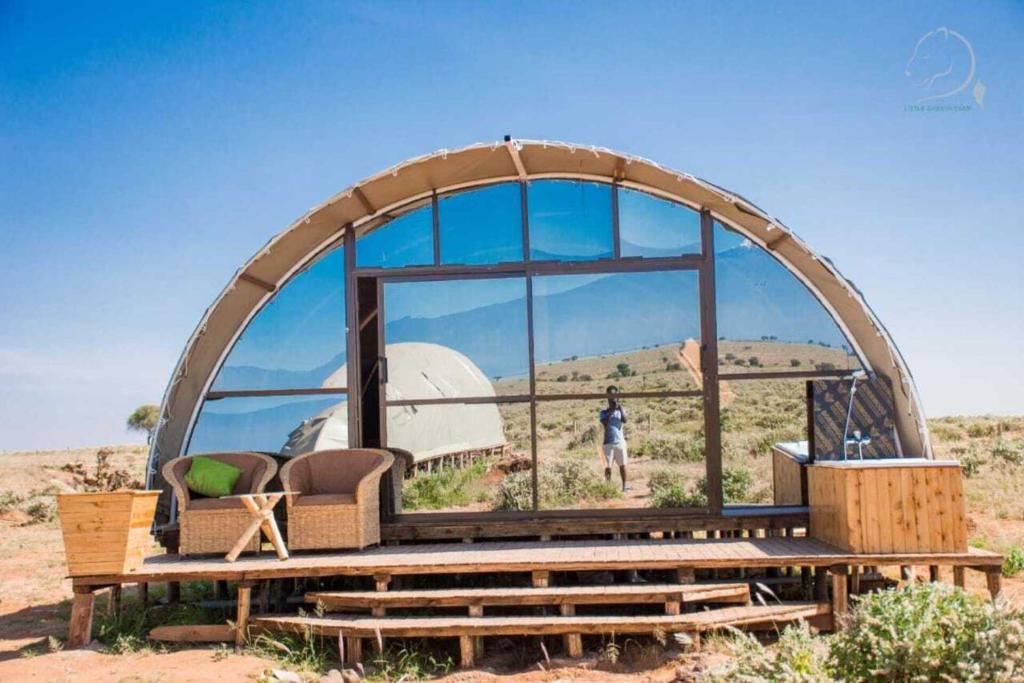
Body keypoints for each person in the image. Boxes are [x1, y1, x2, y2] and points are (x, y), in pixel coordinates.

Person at [599, 385, 629, 492]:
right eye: (610, 394)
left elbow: (625, 420)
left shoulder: (621, 410)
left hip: (620, 442)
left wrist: (619, 408)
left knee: (623, 465)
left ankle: (624, 487)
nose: (612, 397)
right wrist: (612, 410)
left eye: (614, 394)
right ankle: (608, 488)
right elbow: (605, 423)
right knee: (608, 467)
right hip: (607, 443)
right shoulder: (603, 412)